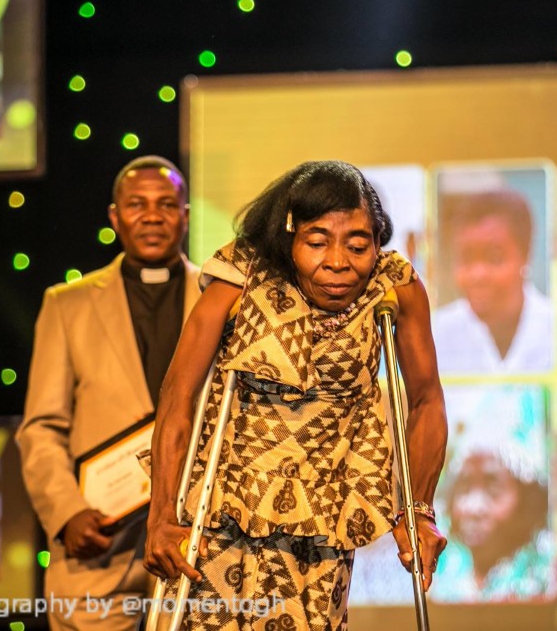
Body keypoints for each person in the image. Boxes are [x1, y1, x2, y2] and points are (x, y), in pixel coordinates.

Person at [144, 161, 448, 629]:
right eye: (317, 242)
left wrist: (420, 509)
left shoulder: (394, 287)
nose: (338, 262)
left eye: (358, 244)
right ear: (291, 236)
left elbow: (426, 399)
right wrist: (162, 514)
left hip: (325, 513)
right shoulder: (241, 274)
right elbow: (179, 391)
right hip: (225, 506)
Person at [17, 155, 199, 630]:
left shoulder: (221, 298)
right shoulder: (67, 304)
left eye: (166, 204)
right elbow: (41, 429)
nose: (152, 215)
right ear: (115, 217)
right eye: (137, 204)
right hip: (97, 546)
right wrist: (66, 513)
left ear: (185, 214)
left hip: (198, 544)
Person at [432, 388, 553, 602]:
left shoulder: (545, 579)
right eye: (465, 485)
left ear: (528, 499)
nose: (473, 507)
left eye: (493, 489)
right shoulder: (443, 578)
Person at [431, 189, 552, 372]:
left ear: (525, 255)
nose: (477, 274)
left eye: (494, 257)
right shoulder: (437, 334)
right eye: (466, 258)